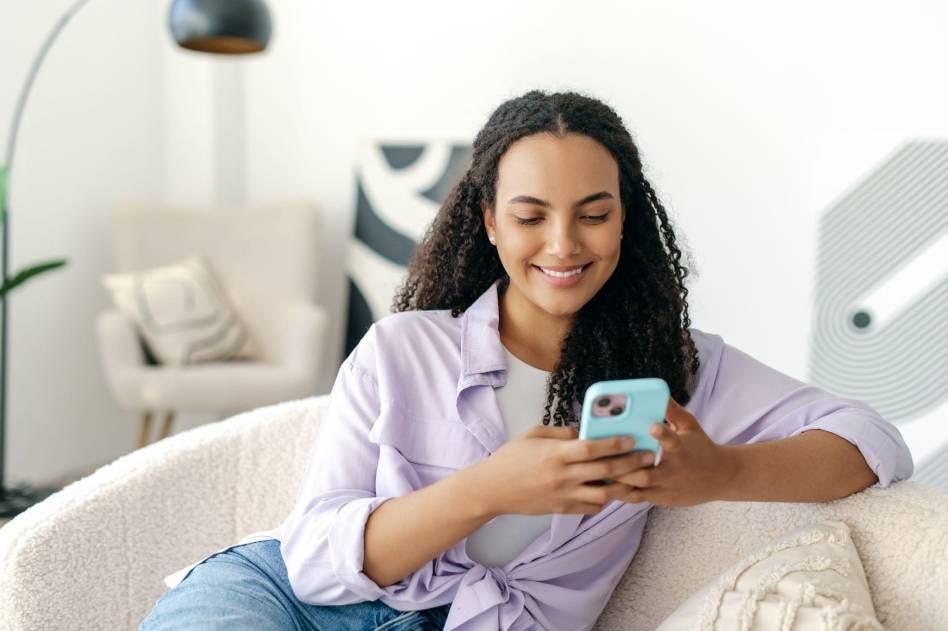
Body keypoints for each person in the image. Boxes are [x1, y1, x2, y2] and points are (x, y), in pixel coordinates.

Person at [139, 90, 914, 631]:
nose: (563, 245)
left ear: (626, 220)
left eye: (594, 214)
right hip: (283, 603)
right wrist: (485, 490)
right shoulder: (404, 348)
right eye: (530, 215)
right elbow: (311, 560)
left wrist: (720, 474)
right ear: (489, 222)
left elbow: (873, 439)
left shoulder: (680, 368)